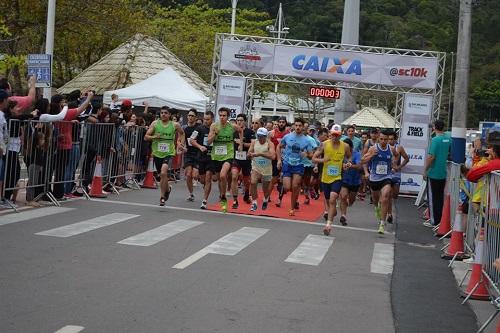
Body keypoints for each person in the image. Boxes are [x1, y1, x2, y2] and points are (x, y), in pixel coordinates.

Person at [313, 124, 351, 235]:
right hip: (325, 178)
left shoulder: (345, 146)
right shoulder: (324, 144)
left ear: (340, 135)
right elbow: (314, 158)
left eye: (337, 135)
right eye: (333, 135)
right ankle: (331, 212)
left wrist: (348, 163)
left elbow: (349, 157)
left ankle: (328, 225)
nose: (335, 137)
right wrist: (323, 160)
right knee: (330, 201)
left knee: (333, 198)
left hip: (337, 177)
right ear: (330, 134)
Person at [144, 106, 185, 206]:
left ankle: (162, 197)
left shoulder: (175, 124)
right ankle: (168, 189)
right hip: (157, 153)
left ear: (169, 115)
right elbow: (146, 137)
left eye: (165, 113)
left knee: (163, 172)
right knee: (162, 175)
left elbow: (182, 133)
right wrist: (154, 137)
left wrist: (181, 143)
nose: (163, 114)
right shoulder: (155, 123)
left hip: (169, 153)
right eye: (162, 113)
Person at [362, 130, 399, 234]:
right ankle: (376, 207)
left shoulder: (391, 149)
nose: (383, 141)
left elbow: (396, 155)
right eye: (381, 139)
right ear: (378, 138)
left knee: (386, 196)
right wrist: (371, 155)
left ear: (388, 140)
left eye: (386, 139)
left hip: (386, 177)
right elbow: (363, 161)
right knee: (376, 199)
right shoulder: (373, 148)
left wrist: (393, 164)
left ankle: (382, 223)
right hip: (374, 178)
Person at [207, 107, 243, 212]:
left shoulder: (232, 126)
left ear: (228, 117)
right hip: (216, 155)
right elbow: (208, 142)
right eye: (220, 115)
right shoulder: (214, 126)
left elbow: (241, 131)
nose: (222, 117)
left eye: (224, 116)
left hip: (228, 154)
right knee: (219, 178)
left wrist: (240, 144)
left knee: (223, 175)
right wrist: (215, 134)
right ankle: (222, 195)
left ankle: (224, 197)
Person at [277, 118, 314, 216]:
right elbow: (279, 146)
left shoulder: (306, 140)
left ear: (303, 127)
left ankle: (292, 208)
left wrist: (306, 154)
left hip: (299, 165)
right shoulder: (287, 136)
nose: (298, 127)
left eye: (300, 126)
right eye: (296, 125)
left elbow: (311, 155)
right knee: (287, 187)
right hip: (287, 164)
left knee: (295, 186)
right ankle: (294, 192)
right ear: (294, 126)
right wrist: (279, 160)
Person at [423, 120, 451, 227]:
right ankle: (439, 221)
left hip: (434, 172)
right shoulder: (448, 139)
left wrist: (425, 170)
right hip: (443, 173)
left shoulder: (435, 140)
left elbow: (431, 157)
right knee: (439, 198)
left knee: (432, 198)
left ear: (434, 127)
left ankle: (434, 221)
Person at [189, 111, 214, 209]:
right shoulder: (199, 128)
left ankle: (204, 201)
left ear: (212, 119)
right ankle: (205, 186)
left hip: (212, 157)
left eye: (208, 119)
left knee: (208, 178)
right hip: (201, 156)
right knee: (203, 179)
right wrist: (200, 147)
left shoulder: (216, 128)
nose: (205, 121)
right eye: (204, 119)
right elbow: (191, 140)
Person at [248, 127, 275, 211]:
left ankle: (265, 199)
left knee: (265, 189)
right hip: (256, 167)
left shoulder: (270, 144)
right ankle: (254, 202)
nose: (260, 138)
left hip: (266, 168)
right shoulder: (254, 142)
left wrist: (260, 154)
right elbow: (249, 153)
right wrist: (249, 155)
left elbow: (273, 156)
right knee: (253, 182)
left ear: (266, 136)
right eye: (258, 136)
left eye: (262, 136)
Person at [231, 114, 254, 208]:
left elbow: (253, 144)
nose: (239, 122)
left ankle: (247, 193)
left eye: (241, 120)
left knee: (246, 180)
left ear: (245, 121)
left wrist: (242, 143)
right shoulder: (233, 132)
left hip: (246, 159)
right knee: (234, 176)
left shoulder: (249, 132)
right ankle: (235, 200)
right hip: (236, 158)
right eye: (238, 120)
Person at [387, 131, 409, 223]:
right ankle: (389, 213)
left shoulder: (399, 148)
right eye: (388, 139)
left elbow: (407, 158)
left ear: (395, 139)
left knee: (395, 195)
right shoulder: (383, 147)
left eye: (391, 139)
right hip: (386, 174)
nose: (389, 141)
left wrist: (399, 167)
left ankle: (387, 209)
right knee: (388, 195)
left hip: (396, 174)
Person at [339, 138, 362, 226]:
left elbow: (359, 166)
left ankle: (347, 204)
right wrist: (342, 165)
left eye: (346, 147)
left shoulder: (356, 154)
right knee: (343, 196)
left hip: (355, 180)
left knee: (351, 201)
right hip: (344, 179)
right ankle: (343, 216)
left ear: (351, 147)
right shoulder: (341, 154)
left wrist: (351, 166)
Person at [269, 116, 290, 201]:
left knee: (283, 179)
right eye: (280, 122)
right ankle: (267, 196)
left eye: (283, 122)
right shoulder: (272, 133)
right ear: (278, 123)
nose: (281, 124)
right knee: (273, 178)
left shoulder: (289, 134)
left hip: (286, 158)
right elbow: (269, 145)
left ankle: (280, 198)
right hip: (275, 158)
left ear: (285, 123)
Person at [183, 108, 200, 202]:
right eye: (189, 115)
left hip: (198, 153)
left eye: (192, 116)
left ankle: (202, 181)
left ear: (196, 117)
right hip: (188, 153)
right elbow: (180, 140)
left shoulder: (199, 127)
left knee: (196, 175)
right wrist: (182, 146)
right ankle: (191, 194)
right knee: (189, 175)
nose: (190, 117)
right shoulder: (184, 128)